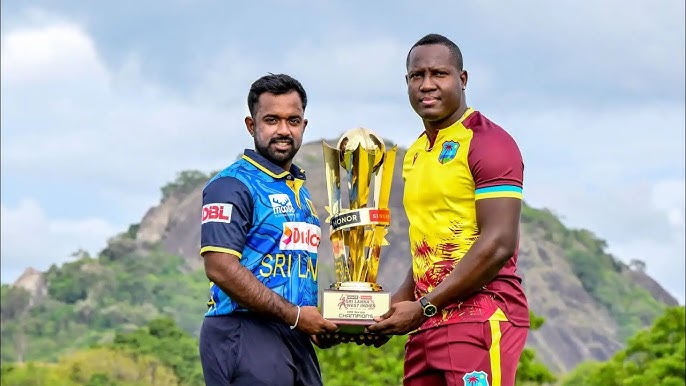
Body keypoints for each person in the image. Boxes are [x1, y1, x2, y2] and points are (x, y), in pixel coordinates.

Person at [367, 34, 530, 386]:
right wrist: (393, 307)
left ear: (463, 79)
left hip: (481, 319)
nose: (427, 85)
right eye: (416, 76)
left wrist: (423, 305)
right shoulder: (415, 154)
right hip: (427, 325)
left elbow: (499, 242)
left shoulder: (489, 143)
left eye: (439, 74)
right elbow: (430, 247)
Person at [198, 73, 339, 386]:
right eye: (272, 120)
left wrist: (314, 322)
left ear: (304, 125)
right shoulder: (232, 185)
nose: (283, 130)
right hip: (243, 332)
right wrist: (298, 316)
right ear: (252, 126)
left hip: (293, 334)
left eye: (293, 120)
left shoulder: (299, 191)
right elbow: (219, 267)